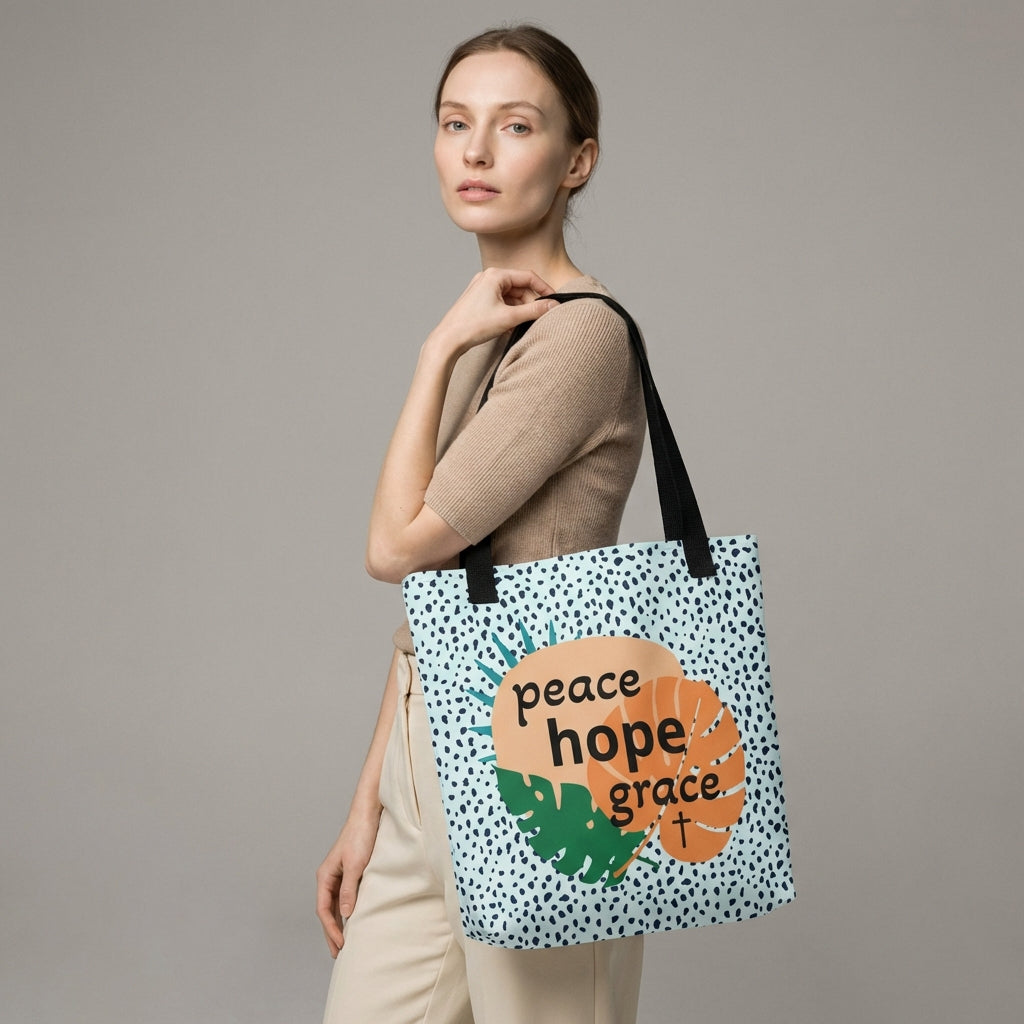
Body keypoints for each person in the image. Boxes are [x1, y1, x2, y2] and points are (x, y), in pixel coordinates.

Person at [316, 24, 647, 1024]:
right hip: (436, 747)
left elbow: (395, 547)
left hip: (547, 754)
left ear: (575, 159)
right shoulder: (494, 327)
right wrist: (372, 797)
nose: (475, 151)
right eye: (455, 123)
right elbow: (438, 585)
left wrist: (434, 348)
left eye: (514, 126)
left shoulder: (580, 335)